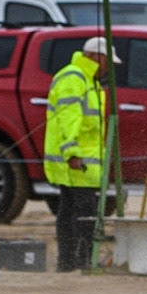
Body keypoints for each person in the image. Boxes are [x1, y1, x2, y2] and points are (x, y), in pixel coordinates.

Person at [45, 35, 115, 272]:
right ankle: (79, 261)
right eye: (107, 61)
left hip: (85, 163)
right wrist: (72, 153)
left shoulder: (90, 81)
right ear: (95, 56)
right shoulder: (74, 78)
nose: (108, 68)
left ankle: (71, 262)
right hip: (77, 163)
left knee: (72, 209)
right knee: (82, 213)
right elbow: (68, 119)